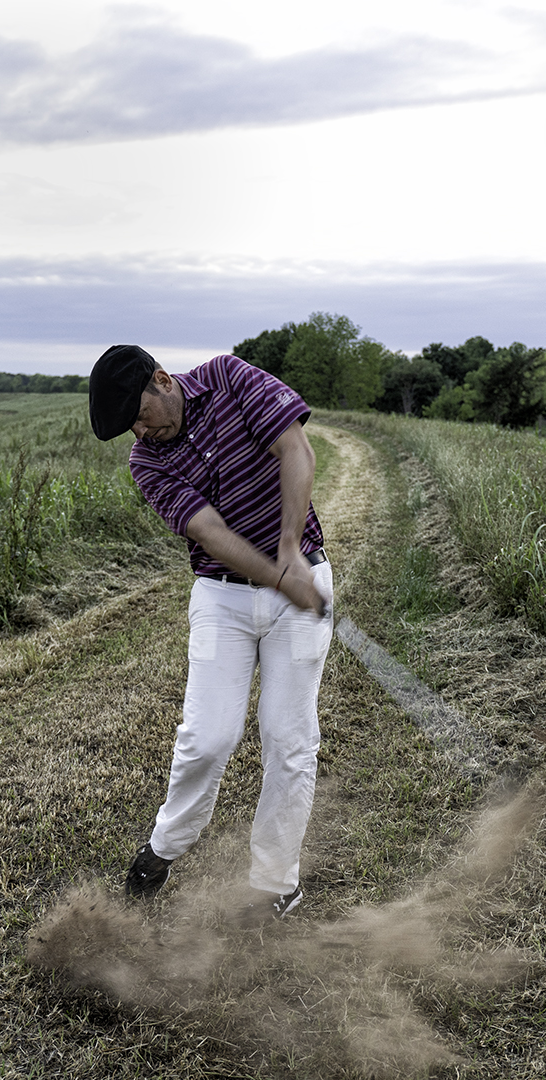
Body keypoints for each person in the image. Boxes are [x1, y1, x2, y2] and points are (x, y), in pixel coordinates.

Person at [88, 344, 333, 924]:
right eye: (131, 428)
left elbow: (293, 447)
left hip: (301, 577)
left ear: (162, 379)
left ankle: (276, 883)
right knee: (207, 737)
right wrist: (275, 574)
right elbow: (211, 531)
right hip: (222, 598)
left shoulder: (228, 376)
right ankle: (162, 848)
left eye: (141, 416)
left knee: (288, 738)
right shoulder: (145, 462)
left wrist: (291, 553)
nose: (141, 433)